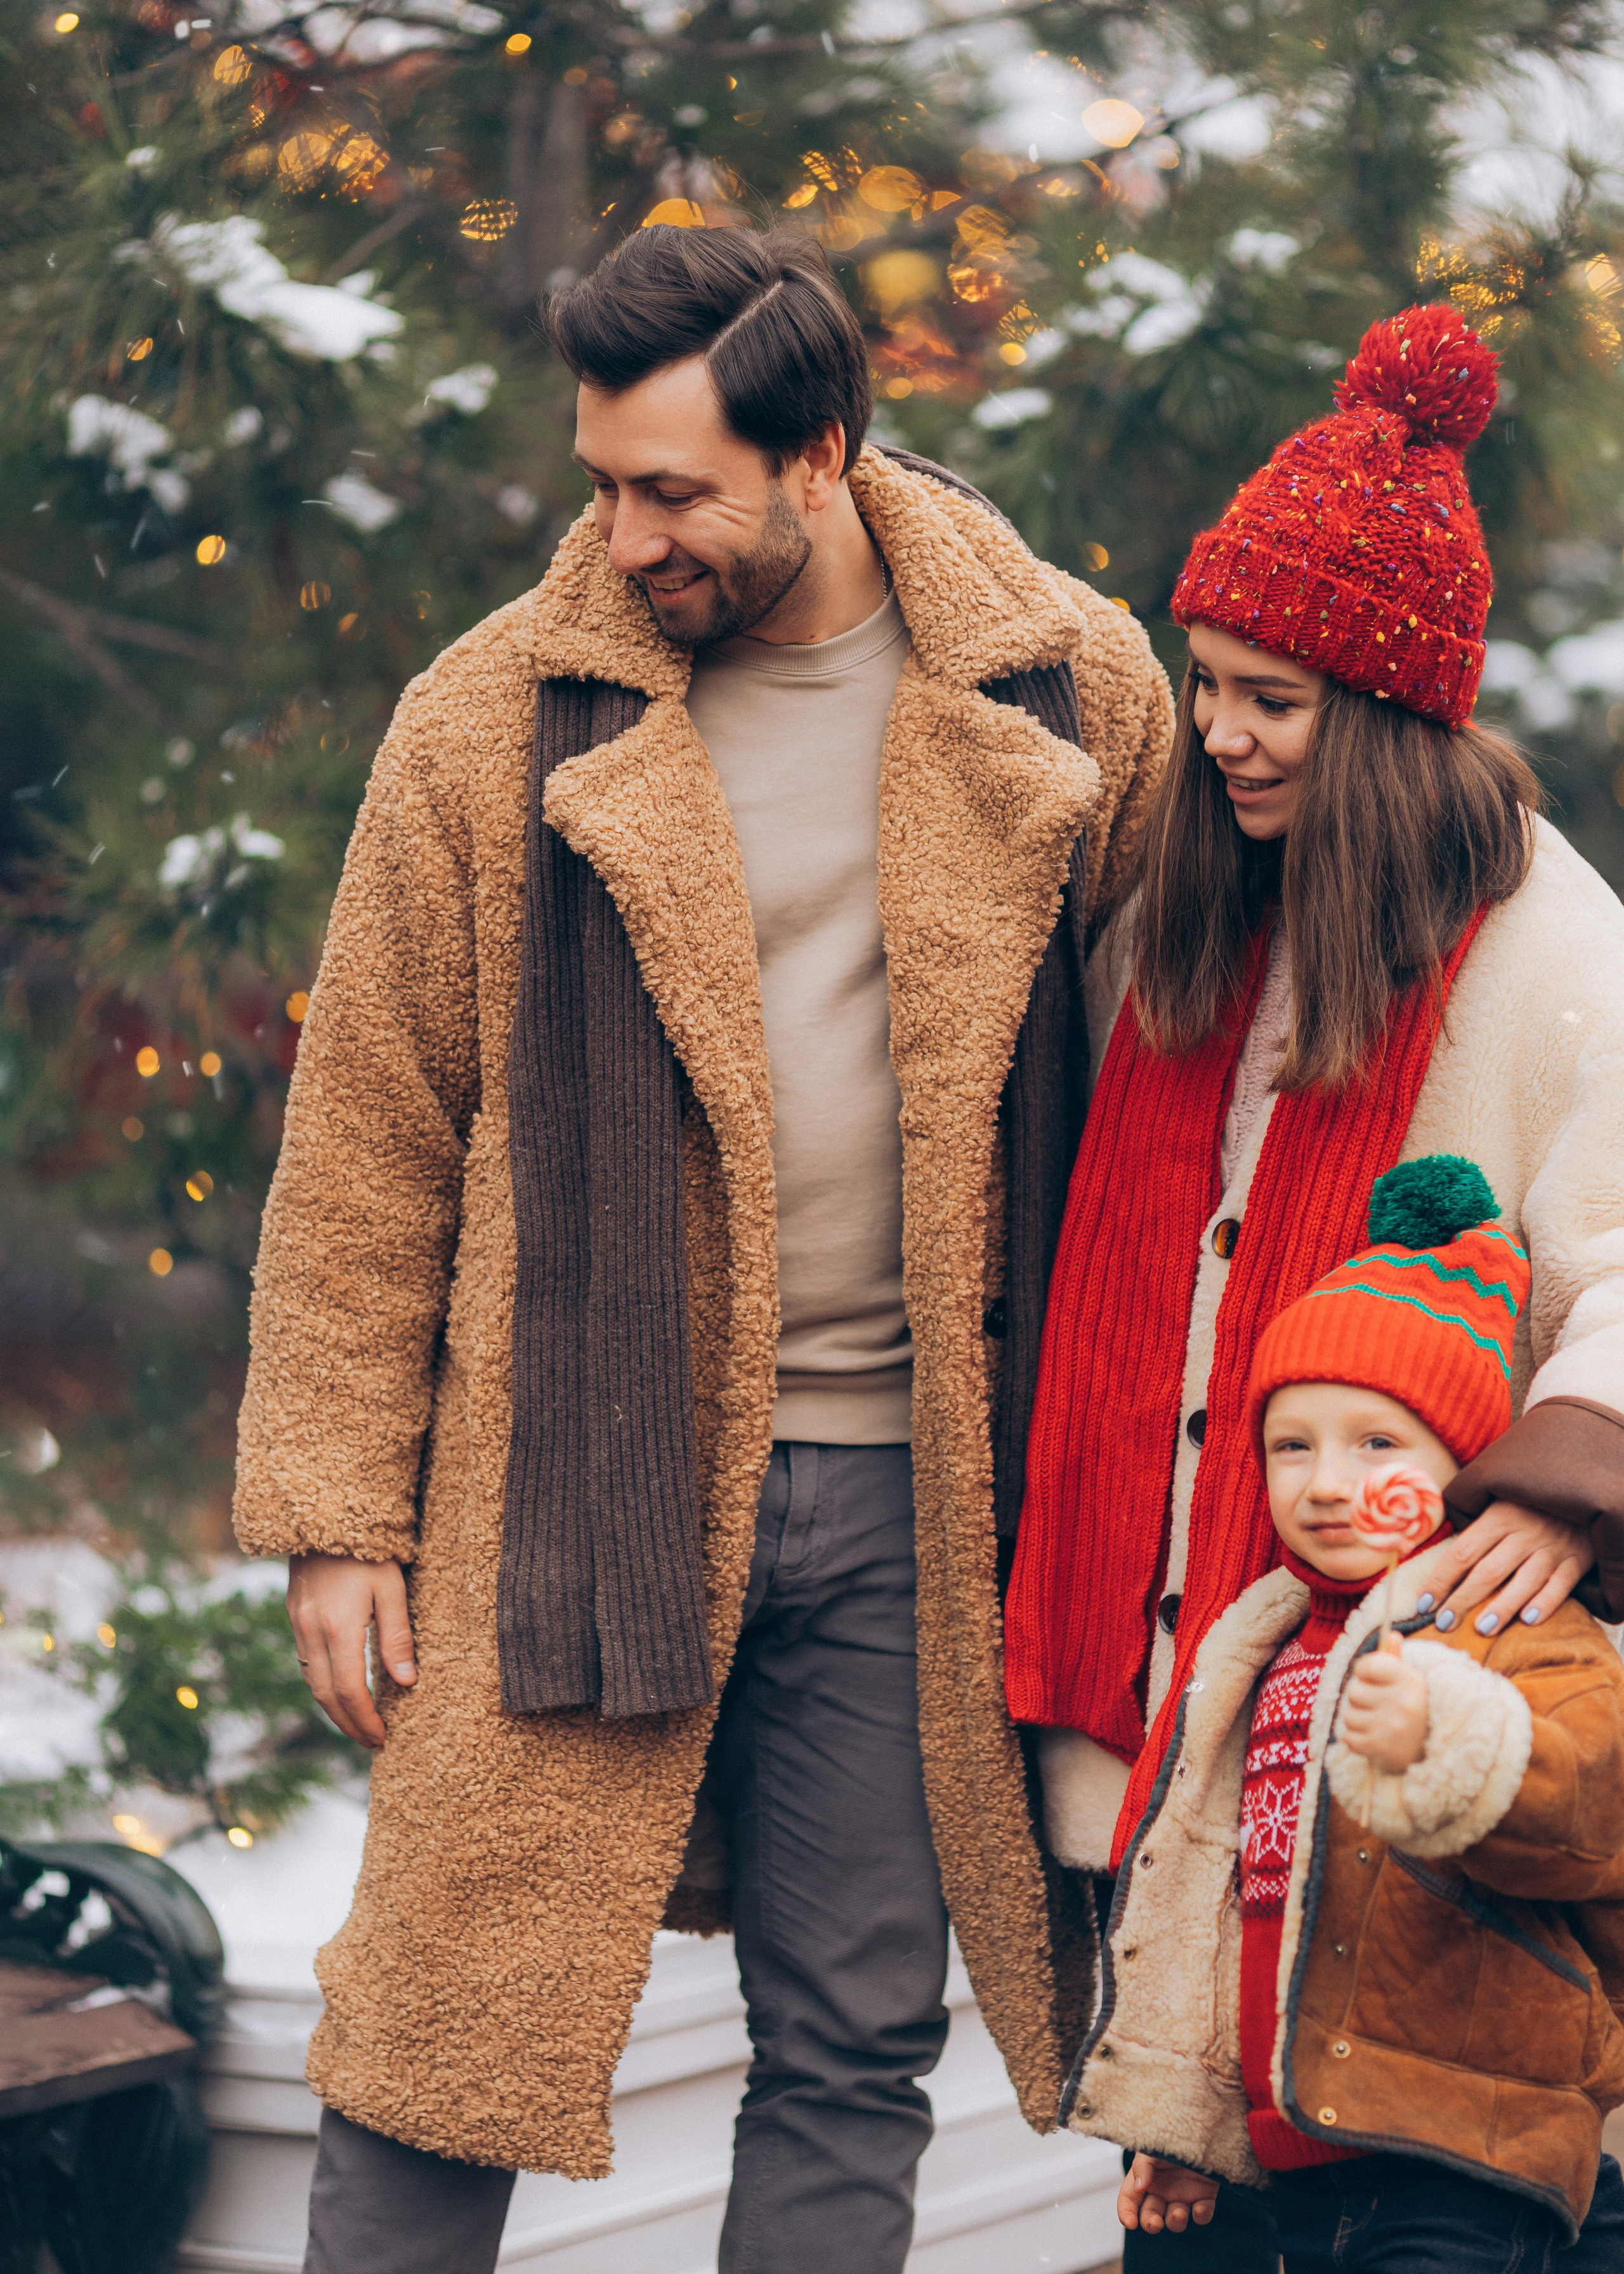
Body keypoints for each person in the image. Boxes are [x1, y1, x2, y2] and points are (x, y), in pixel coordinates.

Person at [231, 220, 1172, 2274]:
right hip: (567, 1475)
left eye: (674, 490)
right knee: (431, 2025)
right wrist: (336, 1513)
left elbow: (1188, 1077)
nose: (625, 530)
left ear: (820, 452)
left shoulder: (1071, 688)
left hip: (930, 1498)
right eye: (602, 481)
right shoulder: (495, 716)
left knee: (851, 2040)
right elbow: (375, 1134)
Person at [1002, 303, 1624, 2266]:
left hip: (1401, 1695)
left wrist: (1557, 1473)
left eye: (1270, 697)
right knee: (1207, 2179)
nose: (1221, 733)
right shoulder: (1186, 914)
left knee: (1400, 2173)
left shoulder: (1546, 949)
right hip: (1181, 1697)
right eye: (1205, 683)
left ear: (1379, 711)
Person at [1070, 1156, 1624, 2271]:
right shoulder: (1249, 1653)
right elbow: (1205, 1911)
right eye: (1293, 1444)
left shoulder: (1511, 1627)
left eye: (1379, 1445)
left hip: (1458, 2143)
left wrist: (1457, 1746)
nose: (1326, 1483)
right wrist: (1182, 2123)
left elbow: (1595, 1814)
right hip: (1271, 2152)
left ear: (1462, 1465)